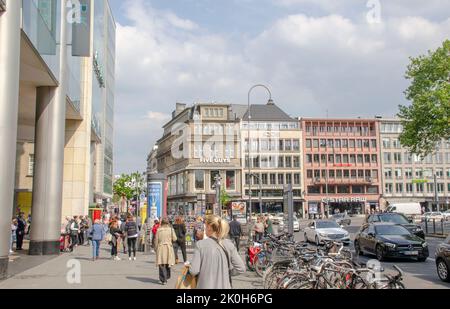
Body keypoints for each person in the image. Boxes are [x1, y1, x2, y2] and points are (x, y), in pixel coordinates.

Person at [186, 215, 246, 289]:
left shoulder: (200, 245)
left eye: (205, 226)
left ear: (210, 227)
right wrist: (226, 272)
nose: (204, 229)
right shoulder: (229, 244)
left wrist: (188, 267)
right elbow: (241, 268)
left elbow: (194, 271)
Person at [155, 218, 177, 285]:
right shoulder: (171, 229)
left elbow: (156, 240)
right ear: (168, 223)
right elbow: (175, 238)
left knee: (161, 263)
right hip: (168, 247)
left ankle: (163, 279)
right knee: (168, 262)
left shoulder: (159, 230)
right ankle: (167, 276)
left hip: (161, 247)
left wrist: (156, 248)